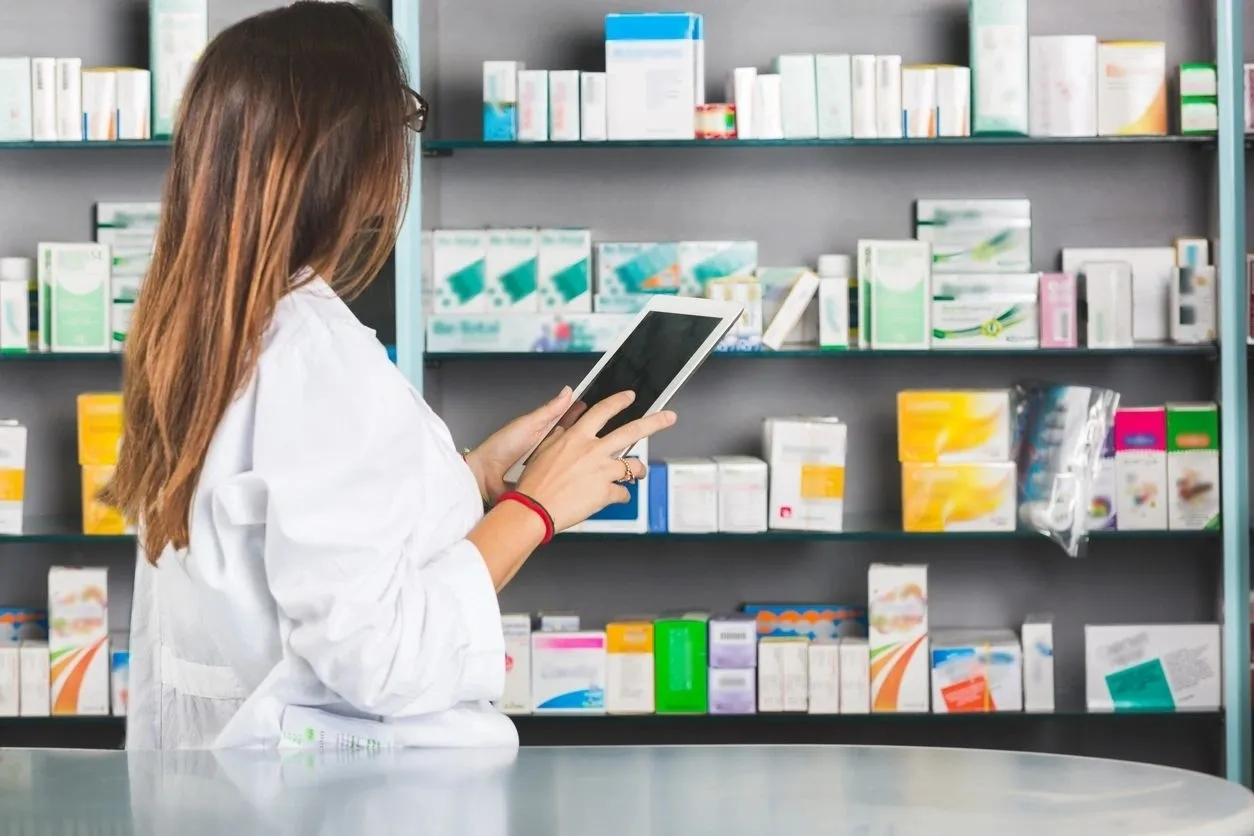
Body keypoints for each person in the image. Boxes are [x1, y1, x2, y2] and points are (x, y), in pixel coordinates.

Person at [102, 1, 674, 750]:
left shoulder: (206, 335)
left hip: (239, 788)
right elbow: (385, 659)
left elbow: (301, 543)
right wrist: (534, 511)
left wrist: (469, 480)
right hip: (354, 799)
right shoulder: (315, 356)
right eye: (400, 116)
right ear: (352, 156)